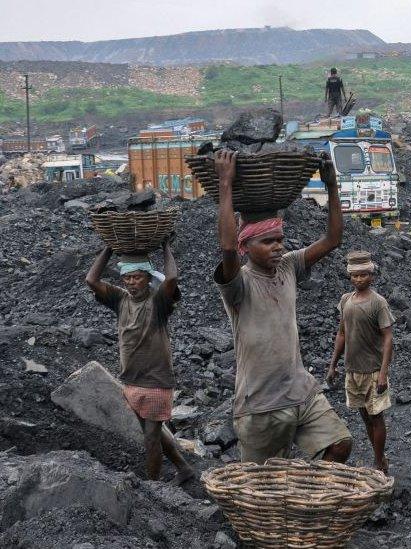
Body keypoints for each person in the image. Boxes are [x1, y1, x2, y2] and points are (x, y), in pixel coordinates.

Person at [213, 149, 352, 465]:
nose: (278, 246)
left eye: (280, 239)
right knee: (260, 483)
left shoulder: (289, 266)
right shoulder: (239, 284)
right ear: (245, 246)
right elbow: (225, 246)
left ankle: (304, 500)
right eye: (267, 242)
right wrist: (225, 184)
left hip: (301, 391)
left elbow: (332, 239)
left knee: (340, 445)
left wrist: (332, 187)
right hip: (261, 404)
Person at [85, 238, 195, 484]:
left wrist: (166, 247)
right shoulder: (120, 299)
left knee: (151, 437)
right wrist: (109, 248)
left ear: (147, 277)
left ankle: (153, 487)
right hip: (131, 380)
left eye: (137, 277)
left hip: (156, 381)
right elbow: (91, 280)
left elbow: (172, 280)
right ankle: (184, 468)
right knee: (151, 432)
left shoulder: (158, 302)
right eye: (127, 278)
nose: (132, 282)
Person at [327, 251, 395, 473]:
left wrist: (383, 373)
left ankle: (379, 463)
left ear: (371, 276)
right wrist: (333, 364)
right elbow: (342, 333)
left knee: (376, 417)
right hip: (353, 370)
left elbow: (388, 338)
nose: (358, 279)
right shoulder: (346, 300)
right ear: (349, 276)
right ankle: (379, 458)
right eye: (354, 276)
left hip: (373, 370)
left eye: (363, 275)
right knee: (365, 416)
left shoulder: (378, 303)